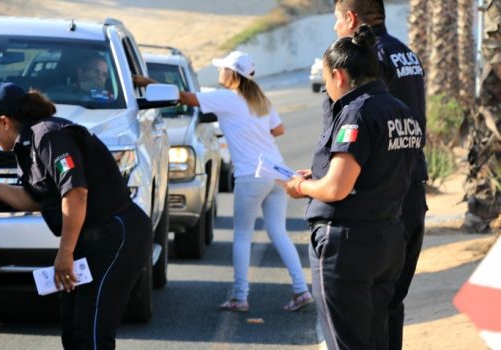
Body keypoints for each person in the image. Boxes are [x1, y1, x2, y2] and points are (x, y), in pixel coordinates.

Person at [0, 82, 151, 349]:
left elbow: (76, 193)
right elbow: (39, 199)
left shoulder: (48, 135)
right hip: (93, 236)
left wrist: (65, 252)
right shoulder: (27, 145)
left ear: (3, 121)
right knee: (73, 333)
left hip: (115, 232)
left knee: (91, 336)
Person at [135, 51, 313, 313]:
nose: (219, 73)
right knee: (279, 232)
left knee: (242, 235)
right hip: (278, 173)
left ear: (232, 74)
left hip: (251, 175)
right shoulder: (260, 99)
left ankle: (240, 296)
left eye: (222, 69)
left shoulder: (227, 98)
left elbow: (184, 98)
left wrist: (148, 82)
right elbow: (278, 130)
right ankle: (301, 290)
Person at [282, 25, 422, 349]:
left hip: (348, 247)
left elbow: (336, 189)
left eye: (327, 81)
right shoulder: (403, 112)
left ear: (339, 75)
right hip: (388, 240)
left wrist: (301, 187)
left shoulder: (356, 113)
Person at [332, 1, 428, 348]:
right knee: (390, 303)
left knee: (365, 312)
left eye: (337, 21)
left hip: (383, 197)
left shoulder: (369, 59)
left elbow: (359, 124)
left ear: (352, 18)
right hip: (412, 185)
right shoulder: (407, 54)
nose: (336, 30)